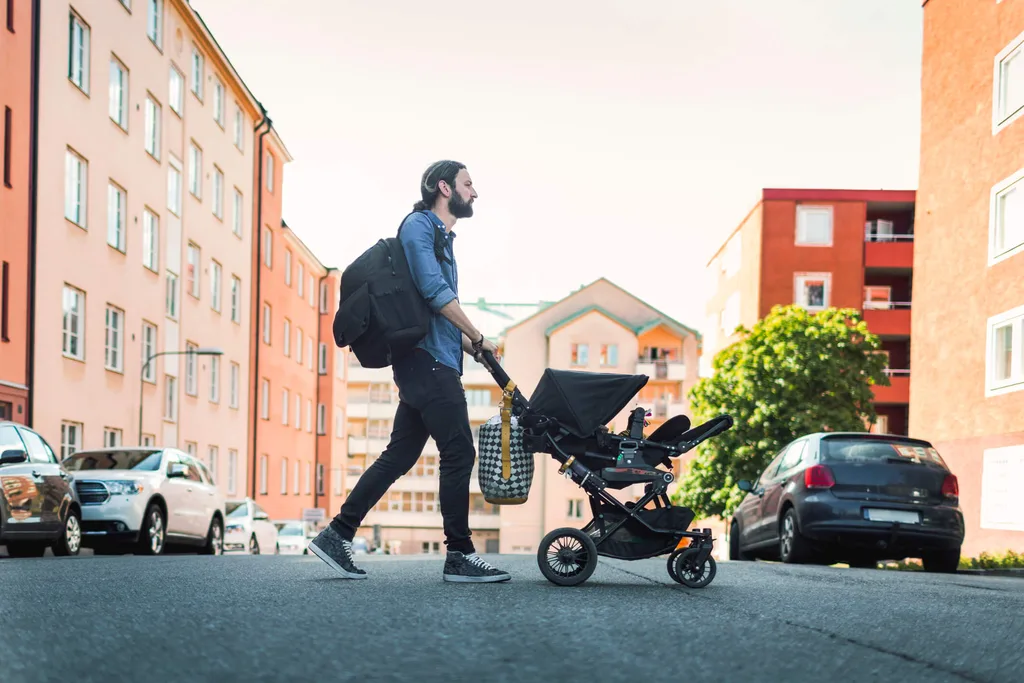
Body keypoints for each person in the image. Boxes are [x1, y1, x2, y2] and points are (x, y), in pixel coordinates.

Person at [308, 160, 511, 583]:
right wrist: (476, 333)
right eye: (468, 184)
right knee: (459, 452)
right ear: (444, 187)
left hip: (432, 360)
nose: (474, 192)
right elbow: (435, 293)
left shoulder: (442, 238)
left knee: (399, 455)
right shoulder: (419, 227)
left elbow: (437, 308)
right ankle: (459, 554)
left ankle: (336, 534)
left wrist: (472, 345)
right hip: (427, 362)